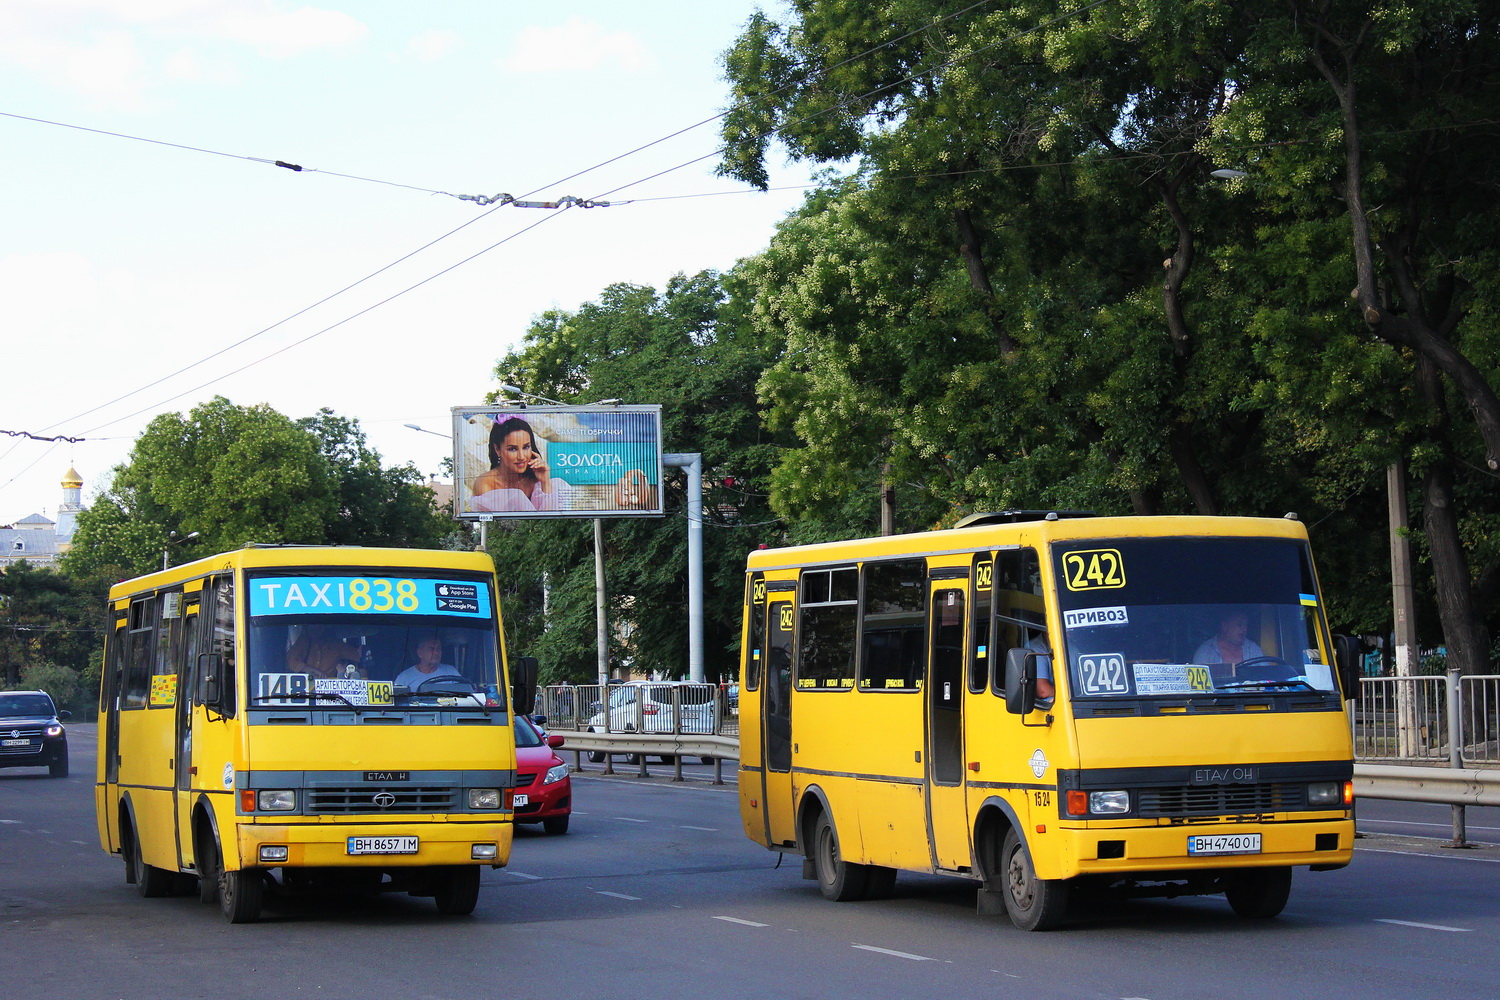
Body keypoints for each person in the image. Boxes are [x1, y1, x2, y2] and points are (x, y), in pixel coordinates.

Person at [470, 417, 566, 512]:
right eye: (512, 449)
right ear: (497, 449)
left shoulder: (536, 480)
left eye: (526, 447)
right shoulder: (486, 483)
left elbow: (552, 520)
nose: (521, 457)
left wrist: (545, 483)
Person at [286, 626, 363, 679]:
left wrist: (345, 668)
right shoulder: (303, 641)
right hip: (304, 689)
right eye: (313, 628)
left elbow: (360, 658)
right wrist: (311, 670)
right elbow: (291, 662)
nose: (316, 630)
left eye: (320, 628)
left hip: (328, 690)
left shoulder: (337, 645)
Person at [1193, 611, 1266, 666]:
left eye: (1245, 625)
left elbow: (1266, 676)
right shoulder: (1205, 651)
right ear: (1225, 626)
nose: (1244, 629)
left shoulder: (1253, 649)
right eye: (1239, 624)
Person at [394, 633, 461, 691]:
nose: (436, 652)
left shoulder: (451, 672)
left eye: (438, 648)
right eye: (431, 649)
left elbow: (465, 696)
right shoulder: (404, 677)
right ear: (420, 653)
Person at [1024, 631, 1056, 705]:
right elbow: (1043, 691)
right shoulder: (1035, 648)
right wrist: (1074, 693)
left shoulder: (1072, 645)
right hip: (1048, 708)